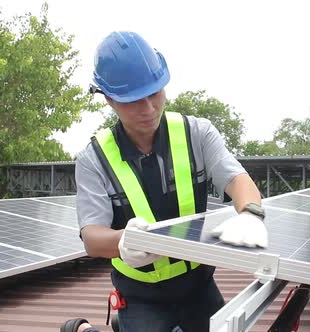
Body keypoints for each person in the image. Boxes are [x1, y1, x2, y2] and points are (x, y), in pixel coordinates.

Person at [68, 31, 268, 332]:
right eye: (134, 100)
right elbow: (92, 237)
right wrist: (122, 242)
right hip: (140, 294)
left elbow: (237, 179)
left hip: (198, 286)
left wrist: (251, 213)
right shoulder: (93, 159)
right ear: (109, 99)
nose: (149, 108)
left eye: (155, 93)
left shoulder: (197, 134)